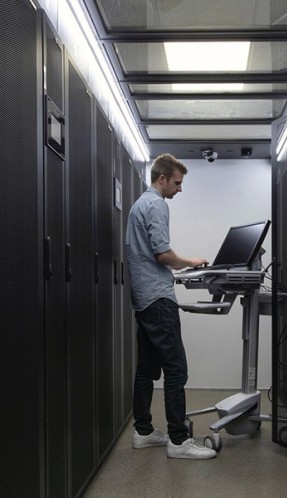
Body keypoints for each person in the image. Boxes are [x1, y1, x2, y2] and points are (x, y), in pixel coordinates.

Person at [125, 153, 217, 459]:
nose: (179, 189)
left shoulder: (140, 204)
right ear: (161, 178)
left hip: (143, 298)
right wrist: (191, 262)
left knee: (147, 368)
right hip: (157, 297)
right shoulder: (156, 204)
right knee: (176, 368)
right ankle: (178, 441)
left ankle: (143, 431)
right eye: (176, 183)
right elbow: (163, 255)